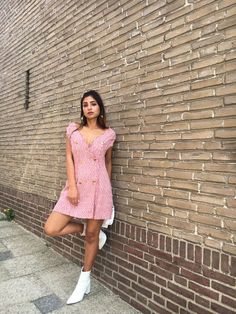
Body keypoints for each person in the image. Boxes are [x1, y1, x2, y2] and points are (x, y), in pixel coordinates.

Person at [43, 90, 116, 305]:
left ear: (100, 107)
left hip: (99, 190)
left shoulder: (109, 134)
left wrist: (106, 190)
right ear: (82, 109)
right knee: (51, 228)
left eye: (93, 104)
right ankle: (85, 229)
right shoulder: (73, 130)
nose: (89, 107)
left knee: (92, 237)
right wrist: (72, 187)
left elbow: (108, 163)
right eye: (85, 104)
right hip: (75, 188)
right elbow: (69, 156)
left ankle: (84, 279)